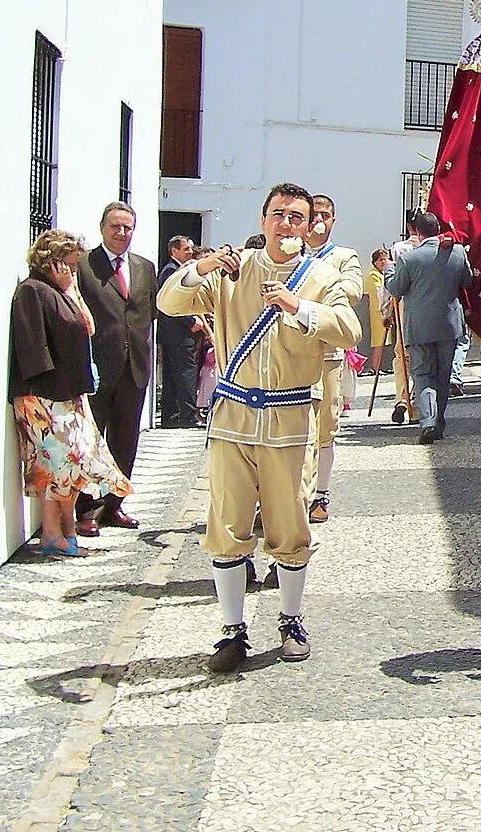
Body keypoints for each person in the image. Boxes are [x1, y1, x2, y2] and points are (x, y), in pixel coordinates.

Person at [158, 182, 361, 672]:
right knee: (227, 523)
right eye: (278, 214)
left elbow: (350, 329)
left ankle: (290, 620)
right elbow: (168, 301)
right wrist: (202, 267)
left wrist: (298, 307)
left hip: (289, 419)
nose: (286, 224)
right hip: (233, 418)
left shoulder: (321, 277)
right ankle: (232, 631)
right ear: (263, 220)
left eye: (297, 217)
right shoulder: (235, 270)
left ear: (309, 226)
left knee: (289, 524)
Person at [10, 230, 133, 557]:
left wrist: (72, 289)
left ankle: (65, 529)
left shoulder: (61, 291)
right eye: (69, 264)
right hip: (44, 396)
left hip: (67, 394)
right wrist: (53, 393)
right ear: (52, 262)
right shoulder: (32, 291)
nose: (74, 270)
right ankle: (54, 533)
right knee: (55, 467)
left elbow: (88, 326)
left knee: (74, 464)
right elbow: (33, 347)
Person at [75, 201, 156, 536]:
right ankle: (88, 509)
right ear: (102, 228)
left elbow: (147, 314)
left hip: (134, 368)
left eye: (128, 228)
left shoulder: (144, 268)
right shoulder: (83, 266)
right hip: (96, 369)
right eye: (115, 227)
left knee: (125, 440)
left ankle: (114, 504)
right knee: (91, 442)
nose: (122, 233)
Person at [384, 211, 473, 444]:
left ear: (417, 232)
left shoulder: (408, 259)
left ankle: (428, 422)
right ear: (438, 229)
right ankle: (439, 423)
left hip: (419, 326)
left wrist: (388, 270)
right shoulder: (457, 252)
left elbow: (396, 288)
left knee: (423, 374)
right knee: (443, 375)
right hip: (449, 324)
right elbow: (467, 280)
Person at [303, 195, 364, 524]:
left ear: (333, 220)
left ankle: (320, 495)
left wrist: (315, 274)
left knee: (326, 426)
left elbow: (353, 291)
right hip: (290, 351)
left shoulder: (343, 256)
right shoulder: (289, 253)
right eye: (314, 214)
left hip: (326, 352)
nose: (319, 220)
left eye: (325, 215)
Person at [157, 234, 201, 428]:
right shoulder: (172, 271)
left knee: (173, 375)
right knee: (185, 372)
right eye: (186, 249)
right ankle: (188, 416)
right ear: (174, 251)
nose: (190, 252)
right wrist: (190, 321)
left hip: (172, 334)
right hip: (178, 333)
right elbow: (171, 301)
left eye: (191, 248)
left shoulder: (175, 269)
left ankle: (171, 417)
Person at [363, 248, 391, 375]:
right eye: (380, 260)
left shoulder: (382, 274)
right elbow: (380, 291)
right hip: (378, 312)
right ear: (375, 262)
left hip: (384, 310)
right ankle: (375, 367)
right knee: (378, 342)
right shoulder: (373, 275)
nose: (383, 262)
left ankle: (379, 366)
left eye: (385, 259)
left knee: (383, 341)